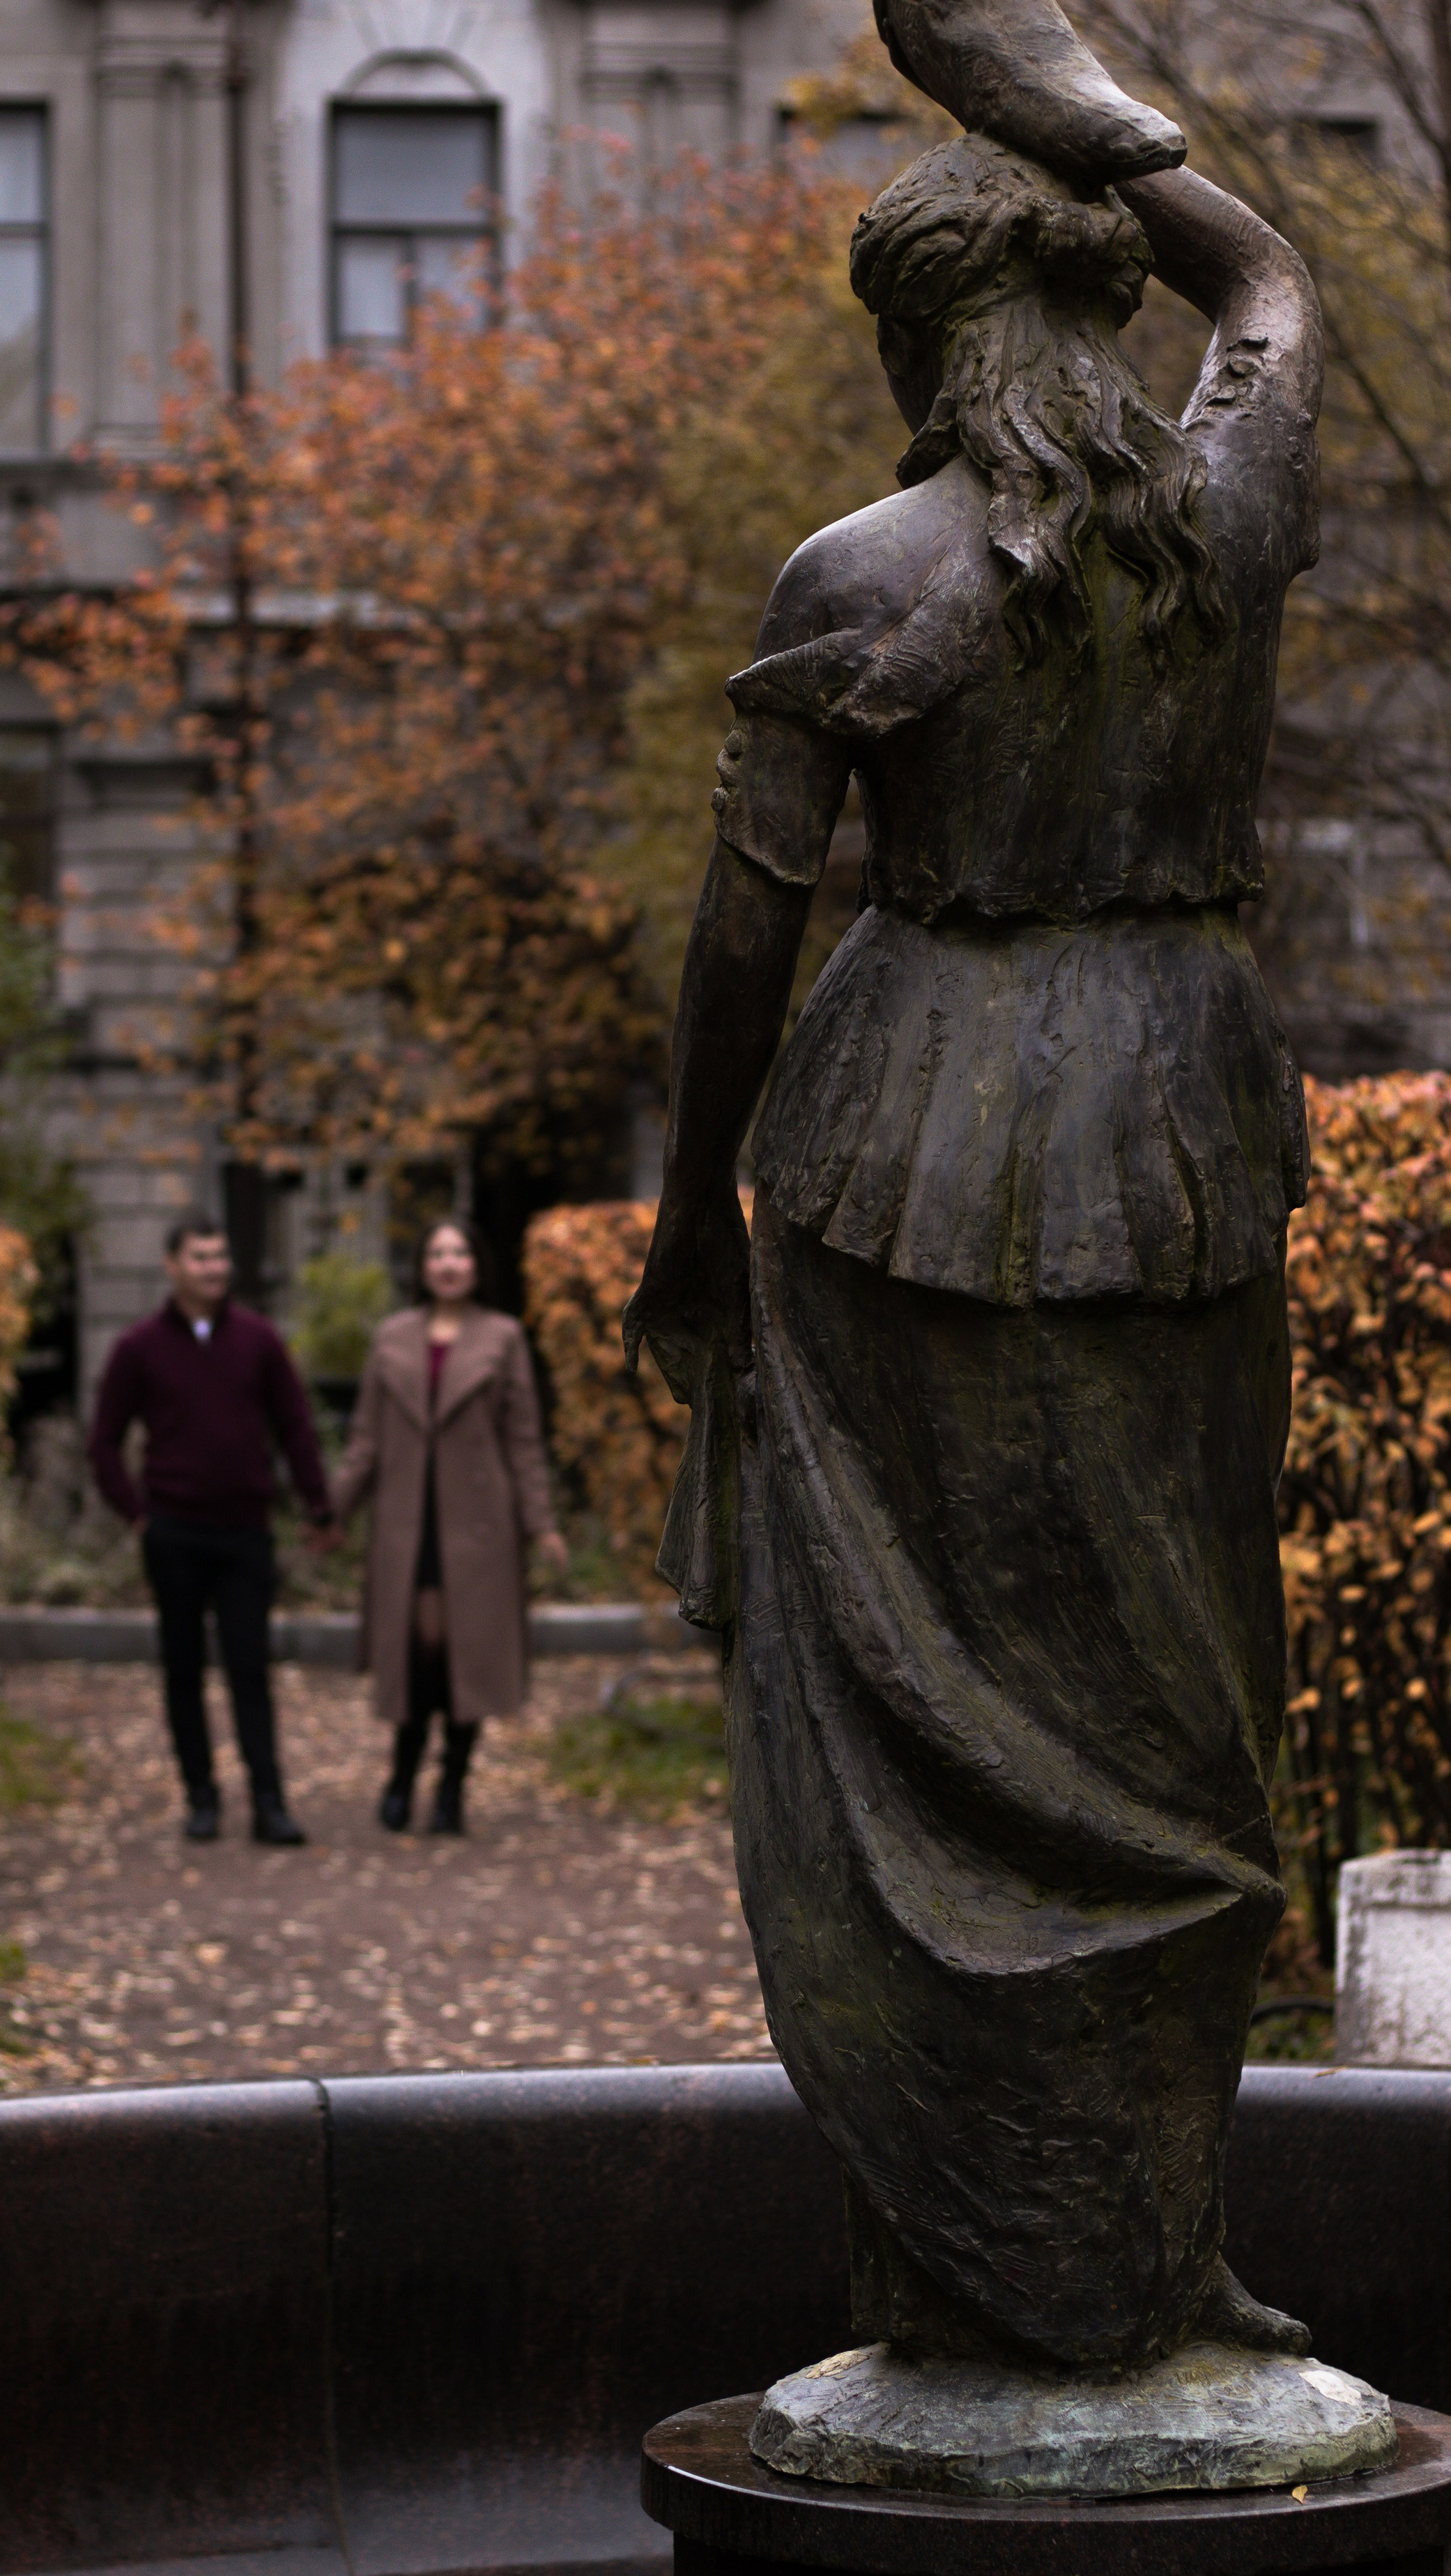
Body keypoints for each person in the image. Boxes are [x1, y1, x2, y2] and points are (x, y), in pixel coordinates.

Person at [624, 105, 1323, 2371]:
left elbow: (745, 950)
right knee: (1178, 1711)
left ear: (926, 333)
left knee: (921, 1718)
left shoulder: (860, 573)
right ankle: (1131, 2250)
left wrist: (686, 1224)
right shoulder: (1222, 516)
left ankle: (974, 2263)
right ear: (1109, 305)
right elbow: (1281, 286)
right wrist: (1083, 104)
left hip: (905, 1151)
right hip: (1183, 1131)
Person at [89, 1210, 332, 1846]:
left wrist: (317, 1505)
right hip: (172, 1533)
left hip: (244, 1533)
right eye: (200, 1258)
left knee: (250, 1670)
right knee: (183, 1669)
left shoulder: (258, 1340)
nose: (214, 1269)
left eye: (221, 1257)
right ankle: (201, 1797)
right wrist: (136, 1513)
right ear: (172, 1266)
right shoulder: (139, 1347)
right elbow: (104, 1442)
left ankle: (268, 1801)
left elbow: (295, 1427)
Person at [327, 1221, 567, 1836]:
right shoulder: (391, 1338)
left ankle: (454, 1785)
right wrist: (331, 1510)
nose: (450, 1262)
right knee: (417, 1651)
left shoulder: (503, 1337)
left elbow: (523, 1441)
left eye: (461, 1251)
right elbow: (364, 1442)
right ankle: (403, 1775)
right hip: (406, 1527)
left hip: (480, 1529)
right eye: (437, 1252)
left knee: (469, 1656)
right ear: (421, 1266)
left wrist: (541, 1525)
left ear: (477, 1265)